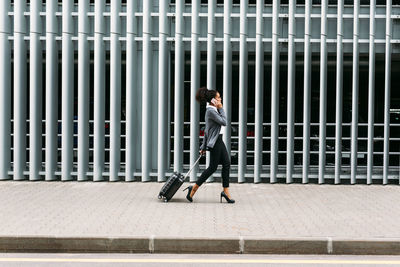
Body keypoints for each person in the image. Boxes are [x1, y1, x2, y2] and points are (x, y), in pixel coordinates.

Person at [183, 87, 235, 204]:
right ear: (213, 100)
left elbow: (208, 130)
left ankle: (225, 191)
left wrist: (203, 146)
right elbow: (224, 122)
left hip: (218, 140)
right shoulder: (211, 111)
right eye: (218, 97)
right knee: (213, 167)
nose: (220, 99)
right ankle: (194, 188)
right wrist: (221, 108)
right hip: (216, 142)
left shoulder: (212, 110)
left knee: (226, 164)